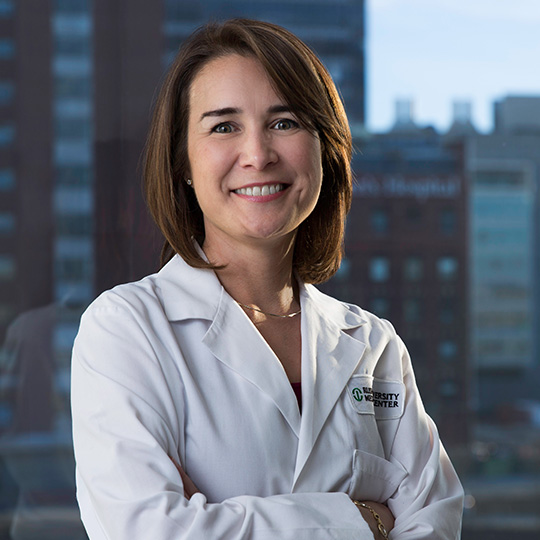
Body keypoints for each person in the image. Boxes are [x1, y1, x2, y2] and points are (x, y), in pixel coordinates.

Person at [71, 18, 464, 540]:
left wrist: (218, 520)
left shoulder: (374, 346)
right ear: (183, 163)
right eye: (223, 126)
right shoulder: (125, 330)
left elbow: (437, 522)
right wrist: (365, 520)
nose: (258, 155)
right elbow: (147, 533)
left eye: (284, 122)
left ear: (324, 149)